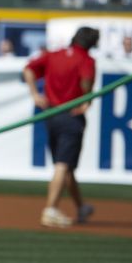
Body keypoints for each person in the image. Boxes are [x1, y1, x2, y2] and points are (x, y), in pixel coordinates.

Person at [23, 27, 99, 228]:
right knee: (62, 164)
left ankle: (80, 206)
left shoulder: (53, 55)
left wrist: (35, 94)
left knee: (66, 166)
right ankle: (50, 210)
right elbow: (86, 82)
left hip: (51, 115)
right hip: (71, 117)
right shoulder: (86, 60)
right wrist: (86, 101)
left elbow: (28, 69)